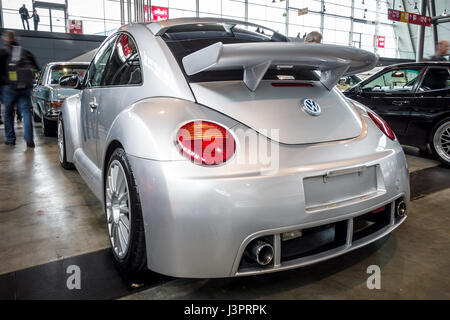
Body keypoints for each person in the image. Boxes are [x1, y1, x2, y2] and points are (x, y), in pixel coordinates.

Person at [0, 30, 39, 148]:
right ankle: (29, 139)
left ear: (6, 39)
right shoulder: (26, 52)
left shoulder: (2, 52)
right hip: (25, 87)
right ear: (17, 39)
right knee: (26, 112)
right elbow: (36, 68)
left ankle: (11, 139)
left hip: (8, 88)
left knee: (8, 113)